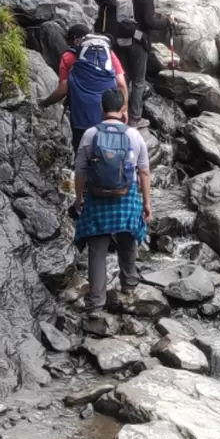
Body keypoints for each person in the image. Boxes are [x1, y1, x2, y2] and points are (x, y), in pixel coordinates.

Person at [74, 87, 150, 323]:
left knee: (97, 251)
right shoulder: (134, 136)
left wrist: (79, 199)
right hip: (126, 199)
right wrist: (146, 203)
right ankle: (128, 285)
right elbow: (144, 173)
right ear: (123, 109)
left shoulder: (89, 135)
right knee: (128, 239)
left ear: (102, 108)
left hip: (97, 199)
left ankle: (96, 304)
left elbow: (80, 171)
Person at [41, 24, 128, 145]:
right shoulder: (108, 54)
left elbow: (63, 89)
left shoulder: (68, 57)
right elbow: (122, 84)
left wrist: (44, 103)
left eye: (69, 41)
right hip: (108, 114)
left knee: (82, 149)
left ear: (75, 39)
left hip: (81, 117)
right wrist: (124, 110)